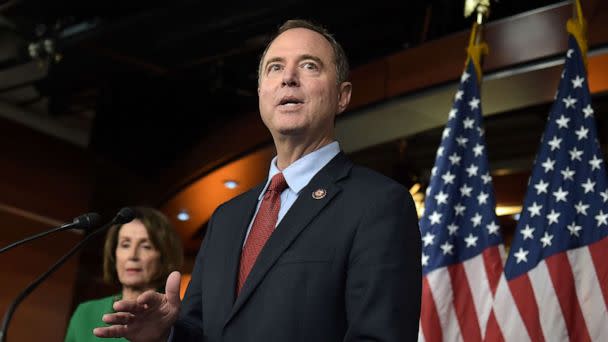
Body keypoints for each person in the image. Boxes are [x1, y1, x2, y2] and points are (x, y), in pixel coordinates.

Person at [94, 19, 421, 342]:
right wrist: (167, 335)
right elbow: (200, 331)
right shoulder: (226, 218)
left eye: (309, 66)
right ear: (261, 93)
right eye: (275, 68)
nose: (288, 78)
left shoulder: (378, 204)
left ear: (342, 96)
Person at [65, 206, 183, 342]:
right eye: (125, 245)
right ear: (114, 253)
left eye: (146, 246)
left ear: (164, 256)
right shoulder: (85, 313)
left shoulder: (175, 322)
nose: (132, 256)